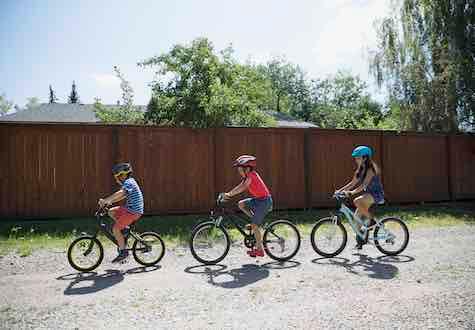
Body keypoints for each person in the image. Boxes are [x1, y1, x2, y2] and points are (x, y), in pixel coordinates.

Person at [224, 155, 273, 257]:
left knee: (255, 226)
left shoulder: (251, 176)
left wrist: (229, 195)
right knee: (241, 204)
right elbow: (239, 186)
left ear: (247, 168)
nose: (239, 172)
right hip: (259, 200)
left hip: (264, 202)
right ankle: (255, 222)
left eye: (240, 169)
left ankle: (260, 250)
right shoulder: (247, 177)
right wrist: (228, 193)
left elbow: (242, 187)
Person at [336, 146, 385, 249]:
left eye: (358, 158)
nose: (356, 160)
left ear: (365, 158)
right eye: (355, 158)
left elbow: (364, 185)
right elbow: (352, 182)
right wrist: (339, 191)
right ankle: (361, 241)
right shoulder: (361, 169)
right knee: (356, 219)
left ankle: (371, 221)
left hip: (376, 194)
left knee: (357, 200)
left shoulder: (371, 168)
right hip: (368, 195)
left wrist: (351, 192)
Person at [98, 162, 144, 262]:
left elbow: (121, 193)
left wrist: (106, 200)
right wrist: (109, 202)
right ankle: (124, 229)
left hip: (134, 212)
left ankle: (123, 252)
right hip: (129, 209)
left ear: (125, 174)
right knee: (111, 212)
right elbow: (122, 196)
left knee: (115, 229)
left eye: (119, 176)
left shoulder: (129, 182)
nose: (117, 179)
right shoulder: (128, 183)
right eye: (117, 177)